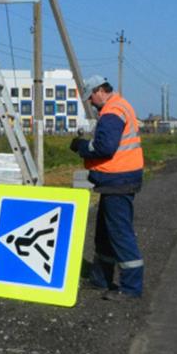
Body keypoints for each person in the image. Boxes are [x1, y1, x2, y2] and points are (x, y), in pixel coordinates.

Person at [69, 75, 145, 300]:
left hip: (118, 180)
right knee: (104, 232)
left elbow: (105, 147)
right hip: (116, 180)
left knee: (120, 233)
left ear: (100, 90)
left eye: (91, 97)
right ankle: (100, 278)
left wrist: (81, 146)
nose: (90, 102)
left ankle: (131, 288)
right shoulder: (119, 106)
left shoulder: (113, 112)